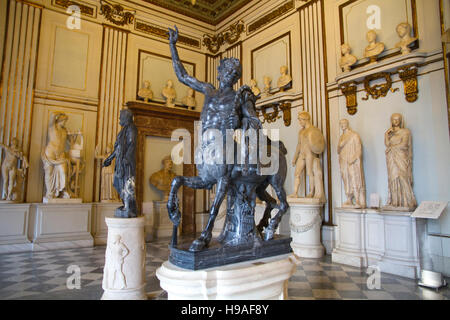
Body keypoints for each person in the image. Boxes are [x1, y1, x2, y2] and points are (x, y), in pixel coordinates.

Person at [103, 109, 137, 218]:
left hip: (126, 163)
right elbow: (118, 148)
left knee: (127, 184)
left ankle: (129, 207)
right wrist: (109, 158)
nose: (119, 119)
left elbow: (132, 144)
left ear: (126, 117)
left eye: (120, 116)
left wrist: (126, 159)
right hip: (120, 162)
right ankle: (125, 205)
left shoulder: (131, 128)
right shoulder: (123, 131)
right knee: (119, 183)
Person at [289, 111, 325, 202]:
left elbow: (318, 144)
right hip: (302, 154)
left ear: (306, 119)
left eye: (301, 120)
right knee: (297, 173)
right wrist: (294, 157)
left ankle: (311, 192)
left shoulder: (313, 130)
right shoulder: (301, 131)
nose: (300, 122)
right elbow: (299, 144)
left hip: (309, 153)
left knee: (310, 173)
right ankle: (295, 192)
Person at [384, 113, 417, 209]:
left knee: (403, 176)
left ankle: (407, 201)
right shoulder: (390, 133)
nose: (396, 121)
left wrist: (392, 148)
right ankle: (395, 201)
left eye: (398, 119)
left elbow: (404, 145)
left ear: (401, 120)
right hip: (391, 157)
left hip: (401, 157)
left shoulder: (405, 132)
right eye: (394, 119)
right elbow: (387, 144)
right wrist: (386, 134)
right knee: (392, 178)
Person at [41, 113, 71, 201]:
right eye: (64, 121)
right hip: (50, 152)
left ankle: (62, 191)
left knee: (63, 171)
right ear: (60, 120)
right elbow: (52, 116)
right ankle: (50, 192)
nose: (65, 123)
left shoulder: (65, 131)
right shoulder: (52, 127)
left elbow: (70, 142)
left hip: (60, 154)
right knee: (49, 173)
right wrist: (61, 113)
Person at [337, 119, 366, 208]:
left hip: (351, 161)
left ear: (347, 124)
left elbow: (358, 150)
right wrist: (340, 146)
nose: (342, 125)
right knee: (346, 180)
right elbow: (338, 151)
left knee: (354, 178)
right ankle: (349, 199)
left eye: (344, 123)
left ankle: (357, 200)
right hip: (343, 160)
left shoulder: (354, 135)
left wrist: (353, 159)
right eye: (341, 124)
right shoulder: (341, 137)